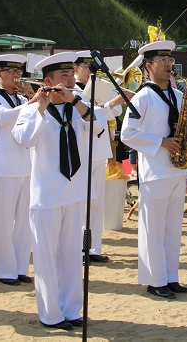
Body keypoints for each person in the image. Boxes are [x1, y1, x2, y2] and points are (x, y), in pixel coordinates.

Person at [12, 52, 104, 330]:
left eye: (71, 75)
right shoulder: (31, 110)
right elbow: (23, 139)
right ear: (48, 81)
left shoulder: (79, 105)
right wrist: (39, 105)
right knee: (46, 257)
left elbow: (99, 128)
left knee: (71, 256)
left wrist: (76, 101)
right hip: (47, 196)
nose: (70, 80)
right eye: (63, 76)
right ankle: (51, 314)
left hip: (74, 192)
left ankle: (71, 309)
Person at [120, 40, 187, 299]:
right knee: (153, 227)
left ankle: (171, 276)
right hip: (155, 169)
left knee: (173, 227)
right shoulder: (143, 96)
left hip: (176, 169)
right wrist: (160, 142)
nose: (168, 65)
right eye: (162, 61)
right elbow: (127, 134)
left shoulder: (178, 95)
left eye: (170, 60)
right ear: (148, 66)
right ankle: (155, 280)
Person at [0, 54, 36, 286]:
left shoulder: (23, 99)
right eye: (11, 72)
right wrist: (32, 103)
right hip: (3, 167)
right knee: (3, 222)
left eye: (18, 72)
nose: (16, 76)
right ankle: (4, 269)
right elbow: (4, 119)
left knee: (24, 222)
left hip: (25, 165)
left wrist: (33, 99)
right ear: (0, 73)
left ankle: (20, 267)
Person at [73, 50, 126, 264]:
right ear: (75, 69)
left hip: (98, 151)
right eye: (86, 67)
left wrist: (114, 101)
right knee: (83, 202)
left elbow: (114, 114)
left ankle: (93, 247)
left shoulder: (96, 90)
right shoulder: (72, 92)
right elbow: (86, 115)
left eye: (91, 68)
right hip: (82, 151)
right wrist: (109, 105)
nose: (89, 72)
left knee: (96, 202)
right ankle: (79, 247)